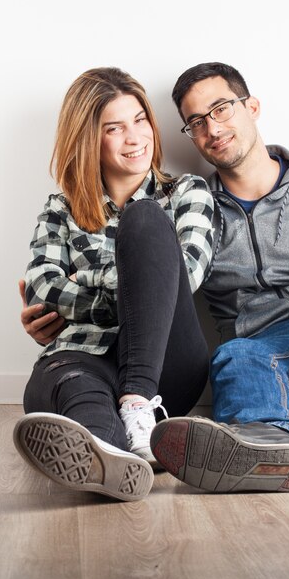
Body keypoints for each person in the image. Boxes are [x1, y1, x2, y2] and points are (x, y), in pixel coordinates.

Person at [21, 62, 289, 495]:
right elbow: (65, 283)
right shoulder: (202, 203)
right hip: (263, 359)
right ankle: (269, 442)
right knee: (235, 355)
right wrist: (115, 295)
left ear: (251, 107)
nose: (212, 128)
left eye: (221, 109)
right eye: (196, 121)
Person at [13, 67, 214, 502]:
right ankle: (109, 459)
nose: (135, 137)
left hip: (164, 366)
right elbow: (43, 287)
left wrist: (82, 283)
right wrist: (138, 287)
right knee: (71, 382)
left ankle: (138, 406)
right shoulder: (60, 208)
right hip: (83, 355)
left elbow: (185, 274)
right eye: (115, 128)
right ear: (89, 139)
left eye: (140, 120)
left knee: (144, 220)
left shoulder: (184, 194)